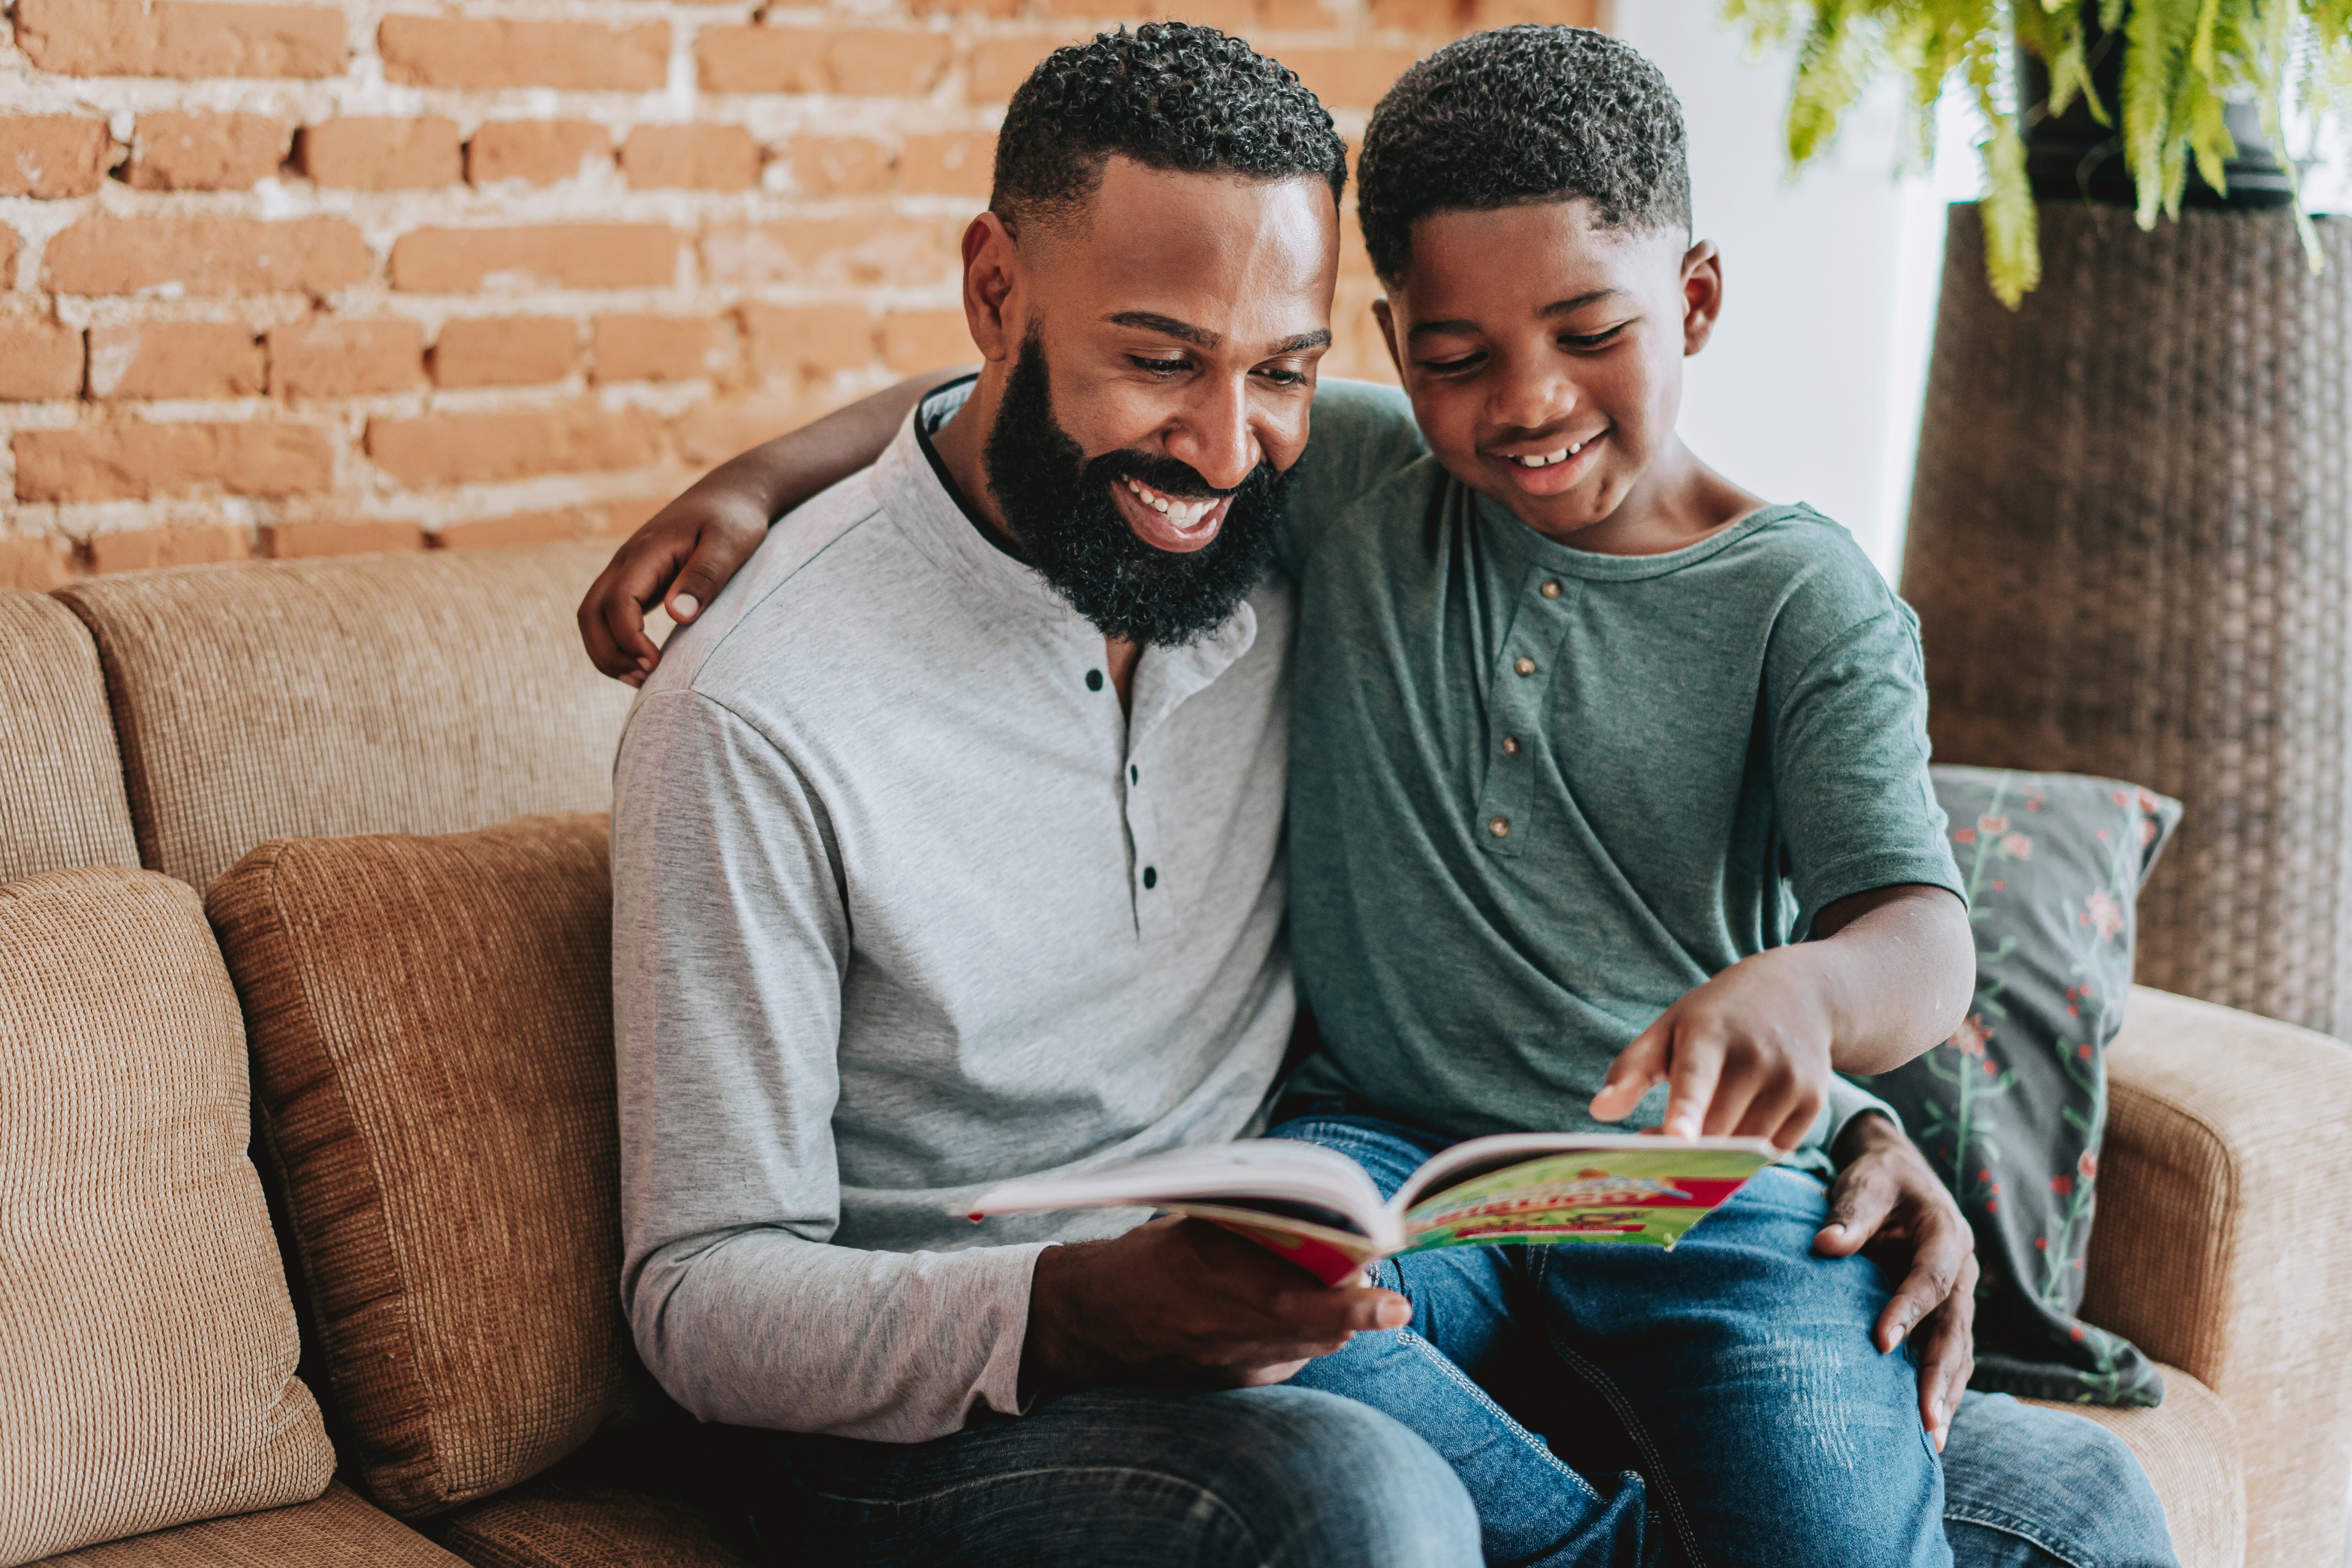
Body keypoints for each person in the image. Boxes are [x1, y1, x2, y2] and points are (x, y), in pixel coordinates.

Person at [600, 21, 2178, 1568]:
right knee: (1371, 1498)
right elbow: (701, 1296)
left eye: (1277, 372)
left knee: (2081, 1506)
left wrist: (1848, 1106)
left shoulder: (1285, 515)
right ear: (996, 294)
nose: (1224, 449)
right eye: (1159, 361)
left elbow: (1879, 926)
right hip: (1057, 1339)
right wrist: (754, 483)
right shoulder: (766, 709)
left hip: (1548, 1213)